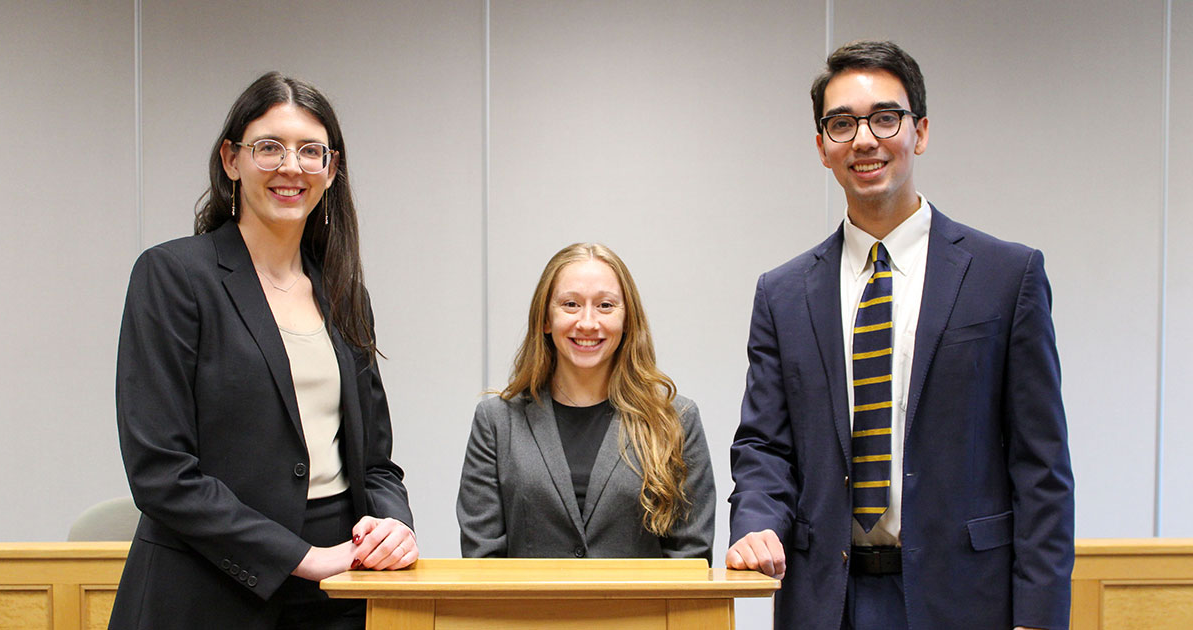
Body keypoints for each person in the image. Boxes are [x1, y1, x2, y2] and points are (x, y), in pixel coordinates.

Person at [726, 41, 1074, 630]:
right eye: (841, 124)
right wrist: (756, 522)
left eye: (885, 118)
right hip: (825, 599)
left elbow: (1041, 465)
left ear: (921, 131)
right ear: (822, 147)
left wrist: (1038, 617)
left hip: (966, 599)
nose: (864, 140)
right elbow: (765, 445)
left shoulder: (1006, 277)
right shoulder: (782, 294)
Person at [110, 72, 417, 630]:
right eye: (268, 147)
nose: (290, 166)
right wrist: (303, 558)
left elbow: (375, 463)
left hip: (338, 589)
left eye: (310, 151)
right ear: (231, 160)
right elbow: (161, 471)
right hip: (208, 587)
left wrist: (394, 525)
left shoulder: (344, 293)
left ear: (331, 168)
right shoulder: (174, 275)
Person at [457, 243, 715, 561]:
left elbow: (690, 559)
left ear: (627, 320)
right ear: (545, 319)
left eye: (605, 306)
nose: (588, 322)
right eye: (570, 304)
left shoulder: (676, 419)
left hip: (639, 612)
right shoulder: (496, 421)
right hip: (527, 613)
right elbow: (482, 557)